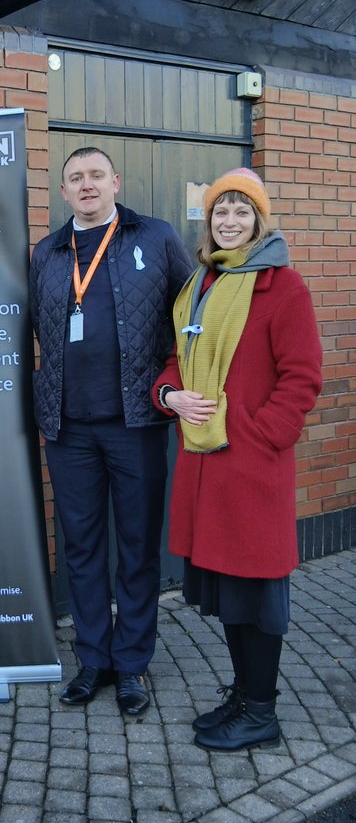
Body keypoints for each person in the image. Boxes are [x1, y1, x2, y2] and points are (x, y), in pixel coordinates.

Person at [153, 167, 322, 750]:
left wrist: (260, 435)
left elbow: (302, 379)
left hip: (250, 468)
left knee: (255, 596)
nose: (229, 221)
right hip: (207, 467)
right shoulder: (200, 282)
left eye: (241, 211)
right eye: (220, 211)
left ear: (259, 220)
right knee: (230, 594)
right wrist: (168, 395)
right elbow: (178, 358)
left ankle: (261, 712)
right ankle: (245, 694)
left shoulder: (283, 286)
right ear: (208, 220)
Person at [30, 146, 192, 715]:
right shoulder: (47, 253)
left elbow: (191, 318)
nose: (87, 185)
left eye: (96, 175)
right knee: (82, 547)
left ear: (115, 181)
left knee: (138, 547)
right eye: (75, 178)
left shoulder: (156, 237)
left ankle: (132, 665)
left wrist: (178, 385)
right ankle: (93, 659)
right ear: (65, 191)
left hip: (137, 423)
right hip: (68, 428)